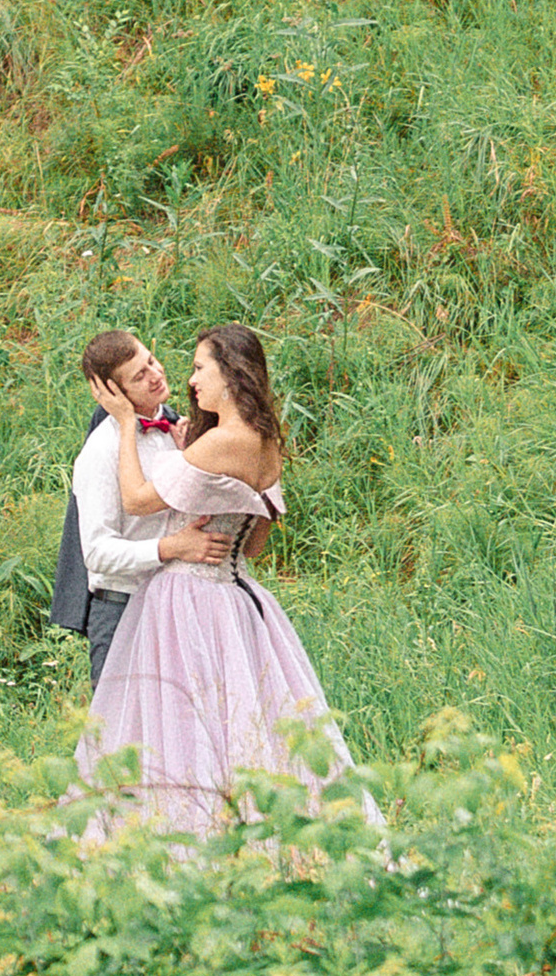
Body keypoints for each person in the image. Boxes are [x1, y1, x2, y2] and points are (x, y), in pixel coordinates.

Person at [79, 321, 373, 835]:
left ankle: (185, 833)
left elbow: (138, 500)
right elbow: (254, 544)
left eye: (198, 369)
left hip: (187, 598)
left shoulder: (215, 443)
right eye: (143, 372)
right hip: (238, 597)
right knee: (247, 721)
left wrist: (127, 426)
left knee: (177, 730)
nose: (186, 379)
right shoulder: (264, 440)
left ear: (231, 375)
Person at [48, 328, 228, 692]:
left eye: (151, 361)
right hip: (122, 610)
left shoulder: (179, 430)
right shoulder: (101, 452)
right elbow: (96, 553)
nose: (156, 375)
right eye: (138, 376)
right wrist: (170, 548)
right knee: (121, 725)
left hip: (182, 604)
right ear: (111, 392)